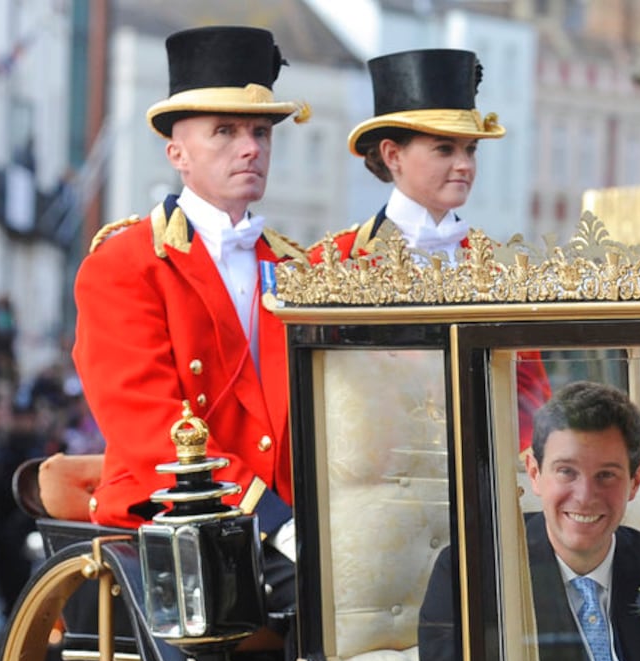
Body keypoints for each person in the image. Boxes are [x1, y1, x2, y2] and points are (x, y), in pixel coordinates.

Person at [70, 26, 309, 606]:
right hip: (179, 515)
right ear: (177, 153)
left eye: (259, 132)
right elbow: (153, 432)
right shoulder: (124, 264)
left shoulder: (295, 265)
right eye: (224, 132)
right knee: (326, 602)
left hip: (288, 521)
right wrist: (272, 518)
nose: (250, 147)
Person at [419, 381, 640, 661]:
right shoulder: (469, 572)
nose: (585, 497)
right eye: (566, 471)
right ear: (535, 473)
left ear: (635, 481)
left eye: (606, 475)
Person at [327, 48, 548, 451]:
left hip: (484, 470)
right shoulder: (335, 262)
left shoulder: (499, 266)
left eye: (470, 150)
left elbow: (530, 396)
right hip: (379, 476)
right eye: (445, 149)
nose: (464, 164)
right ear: (393, 155)